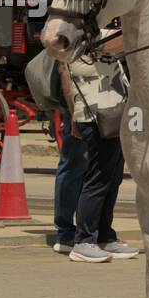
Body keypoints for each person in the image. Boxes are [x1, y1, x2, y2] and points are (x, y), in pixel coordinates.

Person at [62, 30, 138, 263]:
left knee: (112, 179)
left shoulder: (95, 34)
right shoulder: (85, 37)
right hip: (97, 117)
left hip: (113, 116)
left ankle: (105, 235)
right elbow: (125, 40)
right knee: (98, 180)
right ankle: (84, 240)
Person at [50, 102, 88, 255]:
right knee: (74, 164)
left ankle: (86, 230)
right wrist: (74, 113)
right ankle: (66, 232)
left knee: (86, 167)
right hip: (79, 105)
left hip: (92, 104)